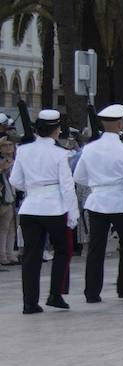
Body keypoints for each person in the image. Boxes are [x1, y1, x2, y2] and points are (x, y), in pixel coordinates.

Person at [11, 108, 79, 313]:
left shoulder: (23, 150)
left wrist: (33, 188)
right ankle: (55, 294)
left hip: (30, 207)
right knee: (63, 250)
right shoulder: (60, 154)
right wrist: (73, 214)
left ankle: (29, 303)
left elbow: (15, 180)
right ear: (57, 130)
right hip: (54, 208)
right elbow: (67, 186)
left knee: (31, 256)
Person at [74, 104, 123, 301]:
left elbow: (79, 177)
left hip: (97, 201)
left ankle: (92, 292)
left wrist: (98, 184)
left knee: (96, 248)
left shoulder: (89, 148)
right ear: (121, 124)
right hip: (121, 202)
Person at [0, 136, 17, 267]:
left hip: (10, 197)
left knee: (10, 228)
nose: (9, 148)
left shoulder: (15, 161)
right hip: (2, 198)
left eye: (10, 145)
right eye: (5, 145)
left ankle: (9, 255)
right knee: (3, 229)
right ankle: (2, 256)